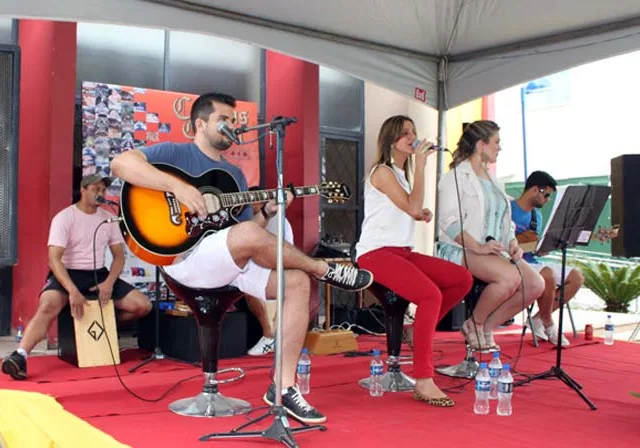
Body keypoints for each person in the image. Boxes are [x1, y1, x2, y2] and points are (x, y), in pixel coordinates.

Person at [110, 92, 373, 424]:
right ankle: (323, 267)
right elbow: (120, 164)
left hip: (226, 259)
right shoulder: (175, 153)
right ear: (199, 124)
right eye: (224, 120)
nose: (232, 126)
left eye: (234, 121)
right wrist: (178, 188)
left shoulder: (233, 175)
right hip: (185, 260)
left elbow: (247, 232)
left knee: (296, 282)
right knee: (278, 254)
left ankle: (284, 387)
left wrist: (267, 211)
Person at [355, 115, 473, 407]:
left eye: (413, 132)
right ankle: (423, 378)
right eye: (405, 133)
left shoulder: (400, 173)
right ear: (391, 139)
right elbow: (410, 204)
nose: (412, 137)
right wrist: (421, 169)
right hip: (375, 253)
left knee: (461, 279)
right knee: (430, 295)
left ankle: (416, 330)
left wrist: (421, 214)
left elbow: (408, 208)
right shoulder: (382, 171)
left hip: (401, 251)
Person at [1, 175, 152, 380]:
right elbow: (54, 260)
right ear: (83, 190)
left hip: (99, 273)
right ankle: (20, 356)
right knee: (47, 305)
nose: (100, 193)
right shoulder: (64, 218)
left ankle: (101, 327)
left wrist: (108, 283)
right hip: (68, 272)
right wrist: (72, 290)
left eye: (103, 190)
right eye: (95, 189)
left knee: (142, 305)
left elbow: (118, 257)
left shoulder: (107, 218)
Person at [437, 120, 545, 351]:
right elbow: (447, 221)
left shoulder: (494, 180)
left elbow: (506, 221)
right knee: (509, 278)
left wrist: (514, 243)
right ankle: (474, 323)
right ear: (481, 144)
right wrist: (477, 247)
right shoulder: (454, 177)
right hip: (462, 248)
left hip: (493, 250)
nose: (499, 147)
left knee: (535, 284)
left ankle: (486, 326)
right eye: (496, 142)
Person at [512, 171, 584, 347]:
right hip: (513, 262)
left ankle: (537, 319)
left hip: (533, 262)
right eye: (546, 195)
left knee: (576, 277)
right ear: (536, 189)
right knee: (548, 274)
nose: (547, 200)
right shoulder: (508, 208)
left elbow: (534, 245)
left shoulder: (538, 216)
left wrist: (543, 248)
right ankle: (549, 323)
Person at [244, 186, 295, 357]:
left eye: (251, 199)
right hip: (263, 268)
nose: (248, 203)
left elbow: (282, 254)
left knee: (247, 281)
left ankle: (268, 335)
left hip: (276, 270)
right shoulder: (251, 220)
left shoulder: (276, 220)